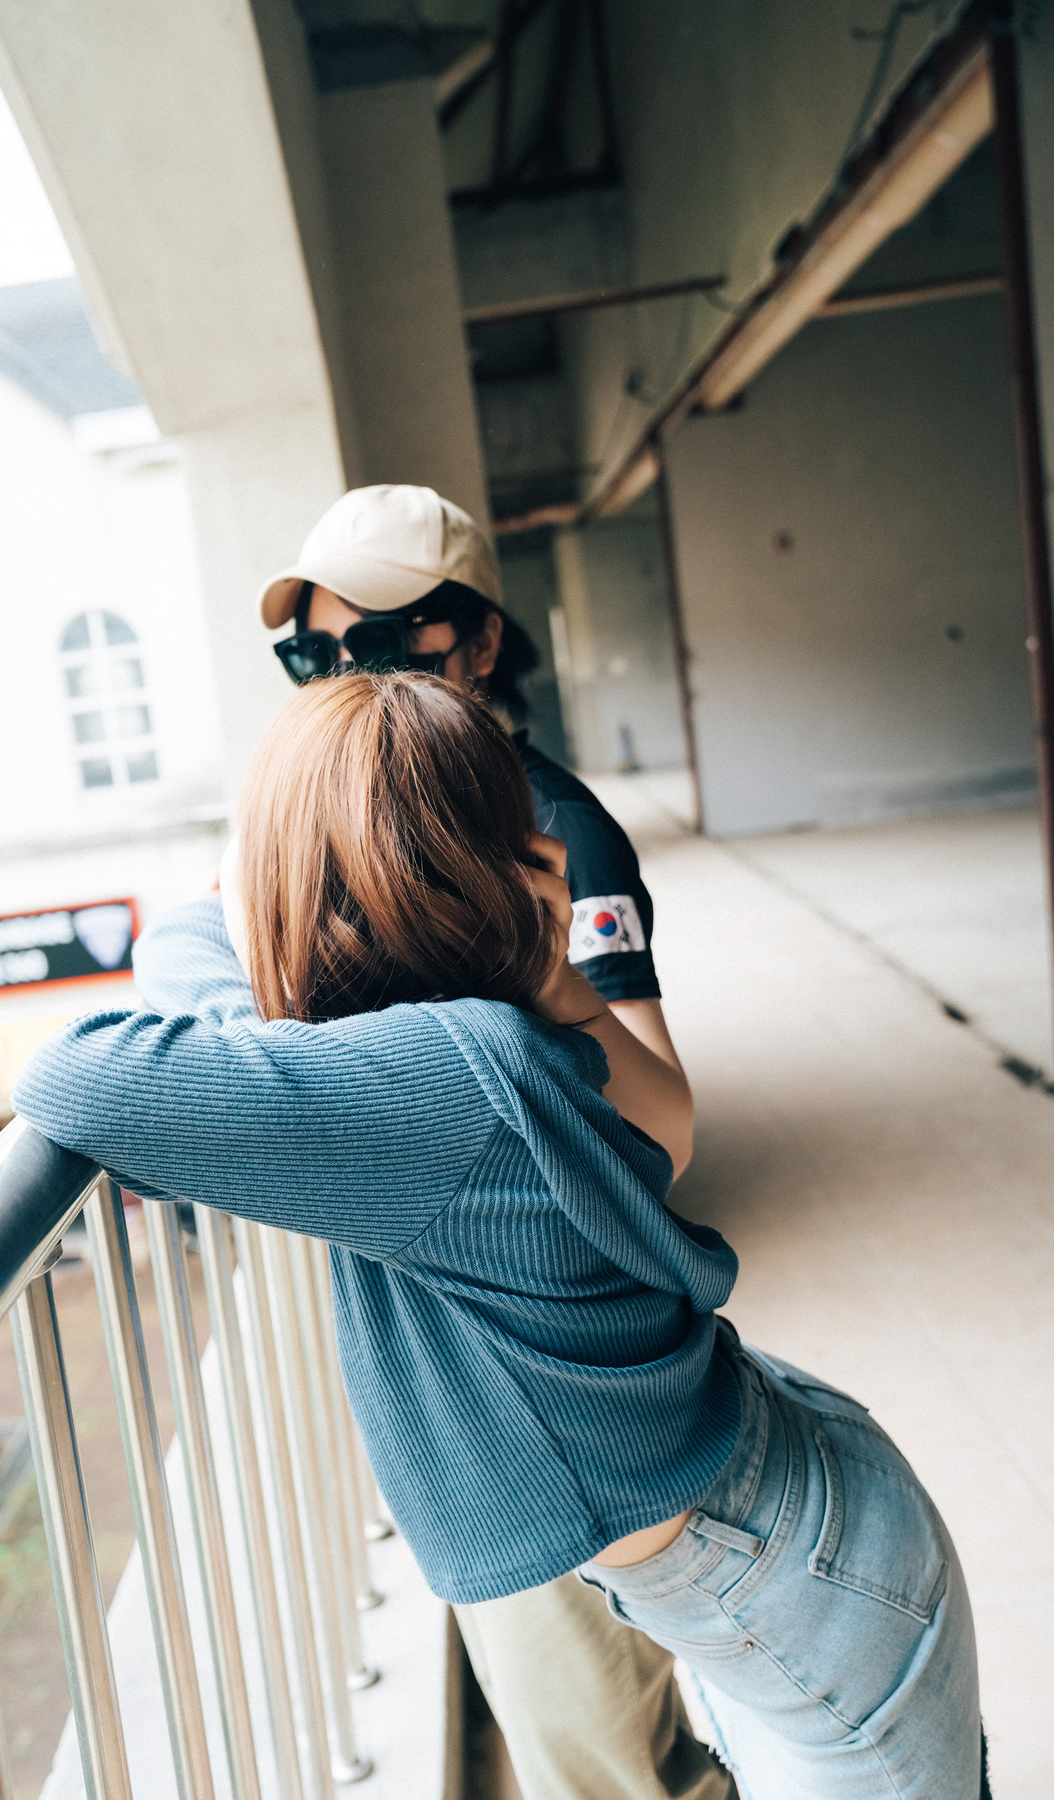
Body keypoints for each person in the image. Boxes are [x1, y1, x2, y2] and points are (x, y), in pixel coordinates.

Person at [14, 672, 985, 1800]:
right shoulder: (497, 1030)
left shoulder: (429, 1084)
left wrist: (218, 903)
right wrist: (545, 959)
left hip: (800, 1581)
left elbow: (80, 1077)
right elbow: (661, 1123)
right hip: (788, 1531)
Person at [258, 483, 734, 1800]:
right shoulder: (376, 811)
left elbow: (660, 1122)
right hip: (468, 1368)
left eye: (378, 644)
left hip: (542, 1368)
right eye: (312, 655)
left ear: (473, 642)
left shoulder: (545, 826)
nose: (340, 680)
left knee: (602, 1755)